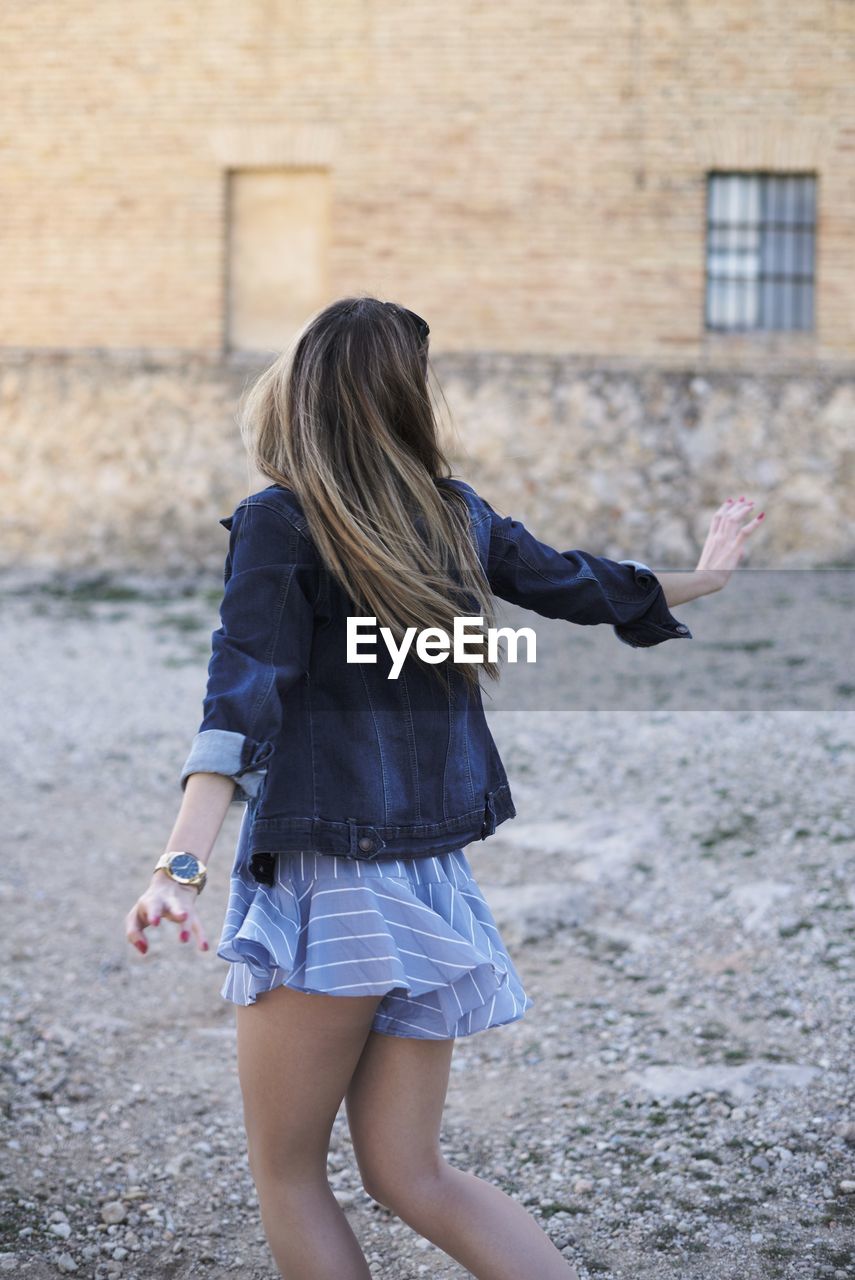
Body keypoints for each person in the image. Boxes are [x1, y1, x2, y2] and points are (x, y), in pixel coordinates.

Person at [125, 295, 765, 1280]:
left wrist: (178, 865)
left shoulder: (278, 521)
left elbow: (239, 692)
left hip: (330, 889)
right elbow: (577, 581)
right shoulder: (453, 512)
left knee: (289, 1174)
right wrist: (702, 579)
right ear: (402, 400)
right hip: (431, 890)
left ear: (305, 394)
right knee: (413, 1172)